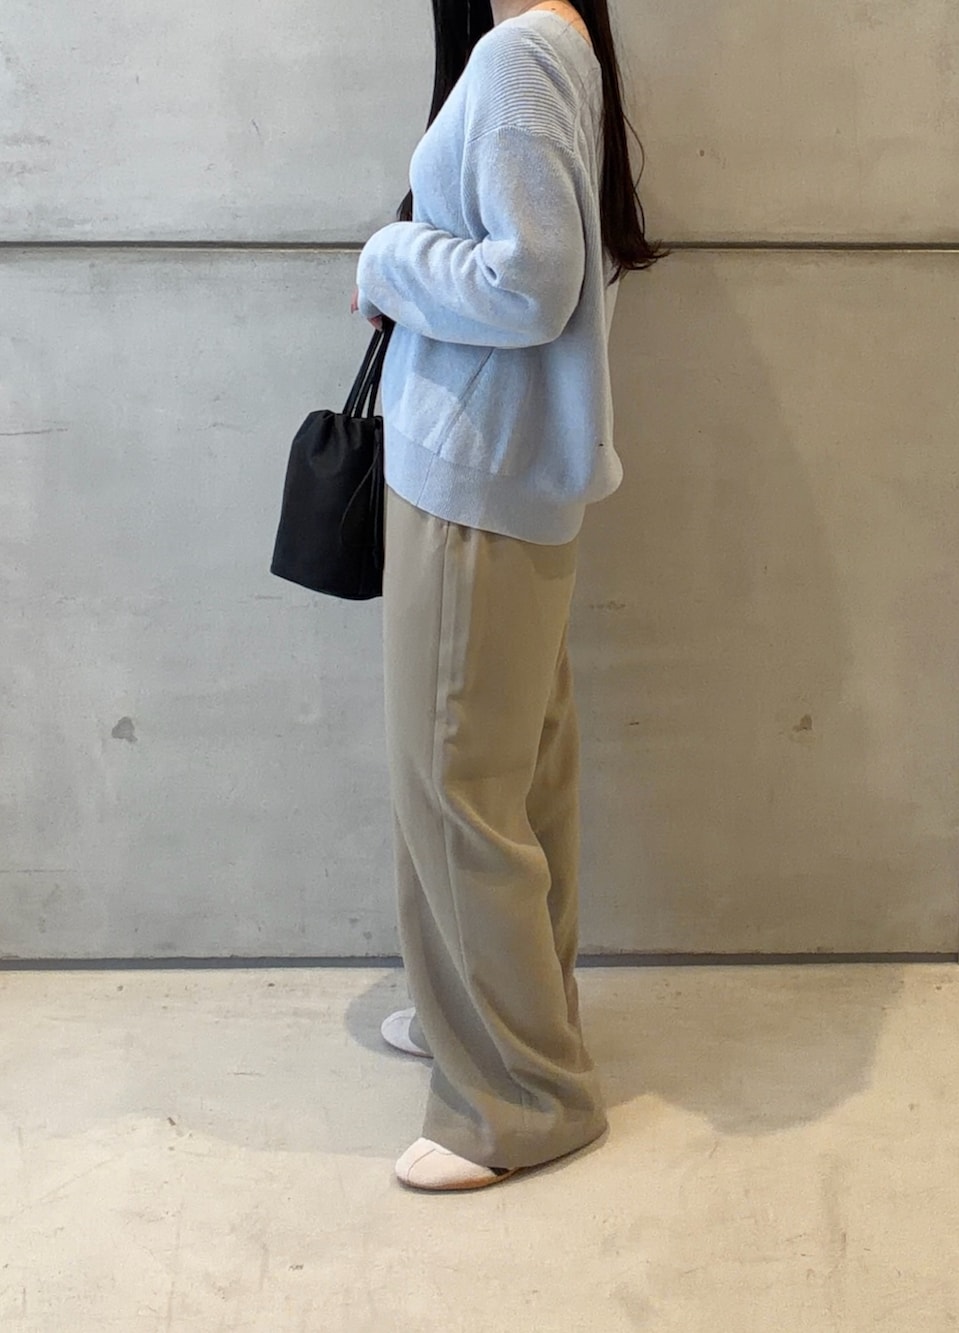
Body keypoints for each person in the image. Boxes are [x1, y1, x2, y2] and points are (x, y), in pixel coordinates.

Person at [351, 0, 669, 1192]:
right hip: (503, 473)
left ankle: (522, 1097)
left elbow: (532, 283)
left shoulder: (519, 52)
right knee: (510, 776)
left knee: (455, 783)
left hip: (472, 475)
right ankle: (493, 1021)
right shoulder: (557, 41)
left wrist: (386, 259)